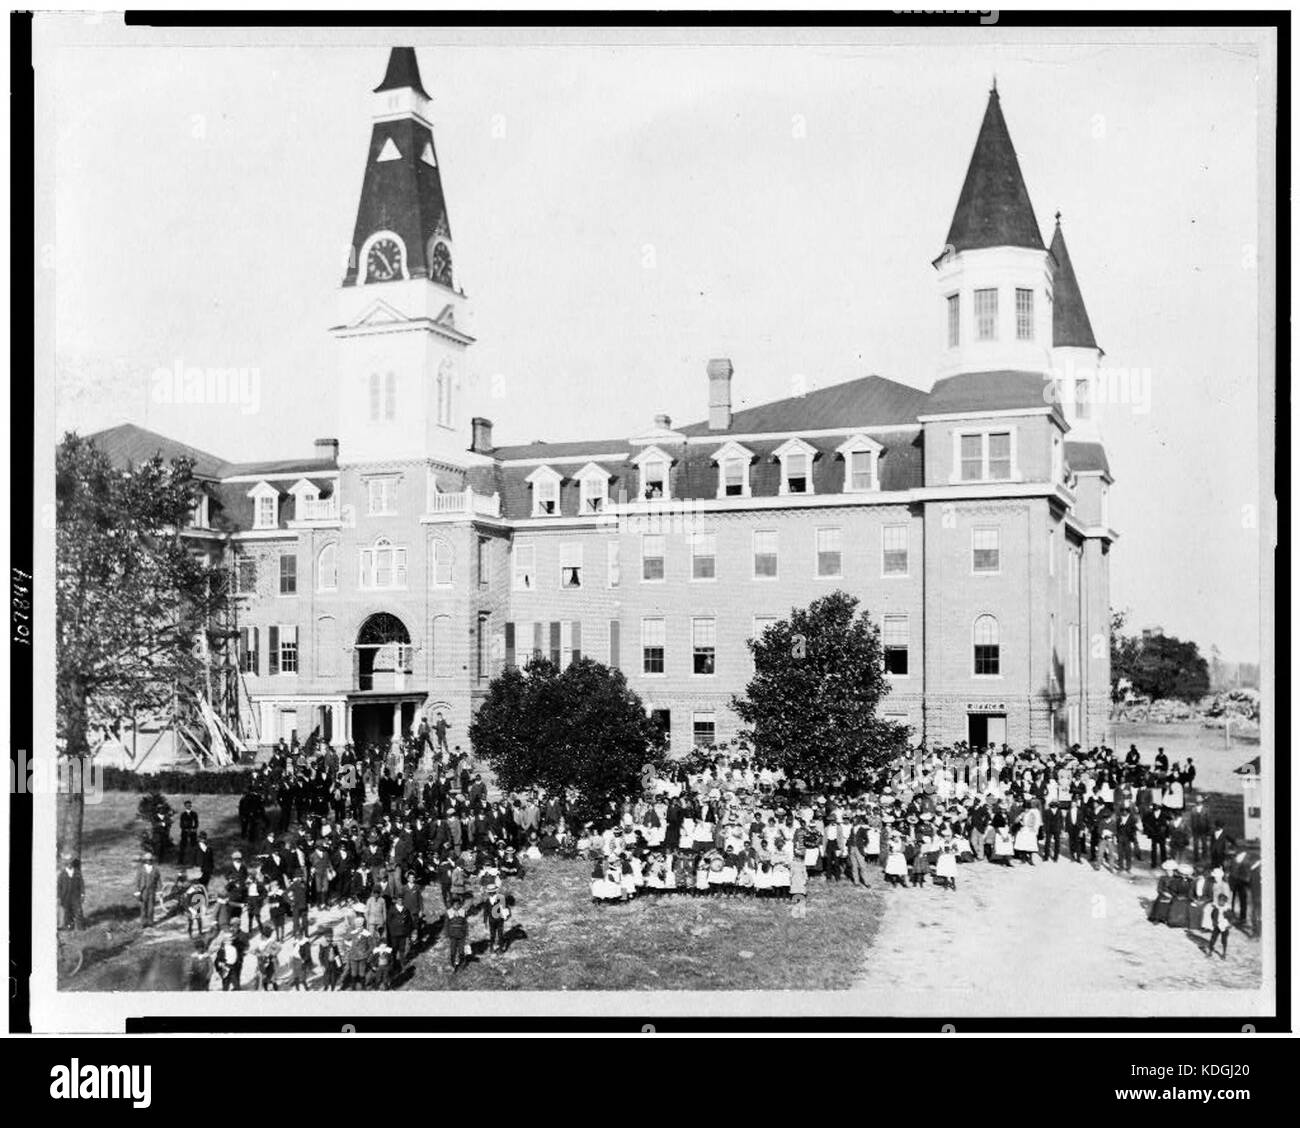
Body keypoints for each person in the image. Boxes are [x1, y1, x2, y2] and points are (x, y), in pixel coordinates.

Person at [57, 855, 85, 930]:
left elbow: (81, 884)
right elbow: (59, 887)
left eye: (70, 863)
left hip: (75, 896)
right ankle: (69, 928)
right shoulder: (62, 874)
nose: (69, 864)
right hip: (65, 896)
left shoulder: (77, 872)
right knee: (67, 913)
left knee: (78, 911)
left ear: (72, 863)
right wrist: (59, 897)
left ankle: (80, 928)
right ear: (65, 864)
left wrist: (82, 894)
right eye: (67, 863)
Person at [135, 852, 162, 928]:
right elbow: (137, 880)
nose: (149, 861)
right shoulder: (141, 869)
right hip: (143, 890)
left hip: (152, 890)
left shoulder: (155, 869)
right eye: (147, 860)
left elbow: (159, 880)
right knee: (143, 907)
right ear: (145, 860)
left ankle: (150, 922)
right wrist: (137, 891)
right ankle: (143, 923)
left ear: (152, 860)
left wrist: (159, 890)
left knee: (151, 907)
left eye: (150, 860)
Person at [1206, 894, 1231, 959]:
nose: (1221, 902)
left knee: (1224, 940)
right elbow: (1212, 915)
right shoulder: (1216, 908)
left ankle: (1224, 953)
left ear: (1225, 902)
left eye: (1222, 901)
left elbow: (1230, 918)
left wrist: (1229, 924)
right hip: (1217, 925)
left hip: (1224, 926)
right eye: (1219, 901)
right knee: (1213, 939)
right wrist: (1214, 922)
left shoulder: (1227, 909)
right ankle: (1210, 952)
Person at [178, 800, 199, 865]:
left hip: (192, 832)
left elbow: (196, 823)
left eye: (189, 805)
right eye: (187, 805)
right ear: (185, 806)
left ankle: (195, 861)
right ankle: (181, 861)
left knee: (194, 846)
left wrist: (194, 829)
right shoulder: (183, 814)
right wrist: (185, 829)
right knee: (182, 847)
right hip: (185, 832)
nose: (188, 806)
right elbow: (181, 824)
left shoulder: (194, 814)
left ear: (191, 806)